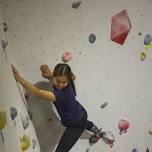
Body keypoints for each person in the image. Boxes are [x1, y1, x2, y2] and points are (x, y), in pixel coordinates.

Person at [11, 63, 103, 152]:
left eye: (64, 82)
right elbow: (71, 76)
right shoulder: (69, 79)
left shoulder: (60, 95)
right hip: (80, 112)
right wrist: (50, 75)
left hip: (75, 124)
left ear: (68, 79)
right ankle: (95, 129)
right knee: (84, 122)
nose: (60, 84)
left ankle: (96, 131)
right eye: (58, 81)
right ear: (55, 76)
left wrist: (20, 79)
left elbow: (37, 92)